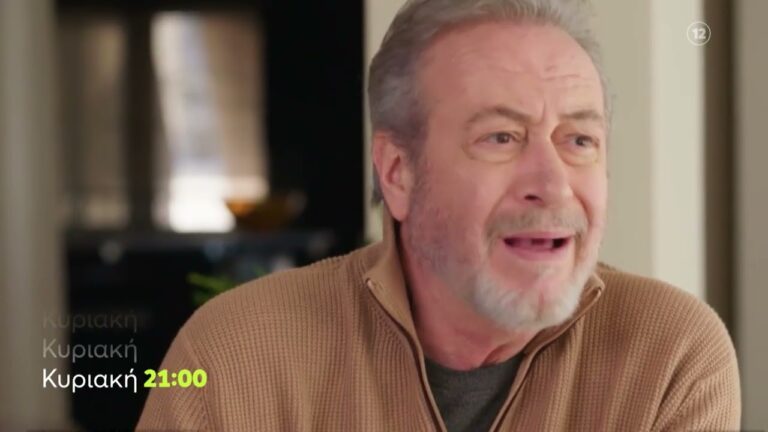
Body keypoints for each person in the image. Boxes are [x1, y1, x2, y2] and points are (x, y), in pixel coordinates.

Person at [137, 0, 741, 430]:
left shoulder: (672, 354)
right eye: (500, 138)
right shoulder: (232, 355)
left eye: (579, 140)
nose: (552, 184)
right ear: (398, 173)